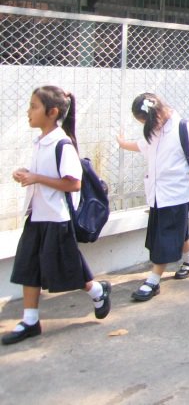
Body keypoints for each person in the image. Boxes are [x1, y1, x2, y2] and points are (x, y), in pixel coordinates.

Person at [3, 86, 111, 345]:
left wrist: (36, 177)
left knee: (67, 268)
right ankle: (30, 320)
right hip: (37, 216)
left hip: (57, 218)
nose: (28, 112)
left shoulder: (62, 144)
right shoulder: (41, 141)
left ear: (52, 112)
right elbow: (46, 176)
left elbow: (73, 183)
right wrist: (27, 174)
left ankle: (98, 291)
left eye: (34, 106)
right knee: (28, 268)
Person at [117, 93, 189, 301]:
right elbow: (141, 145)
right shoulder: (155, 131)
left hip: (175, 194)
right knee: (177, 229)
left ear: (156, 113)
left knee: (164, 237)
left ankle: (153, 280)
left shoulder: (183, 128)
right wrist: (123, 144)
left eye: (145, 121)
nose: (146, 126)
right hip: (157, 194)